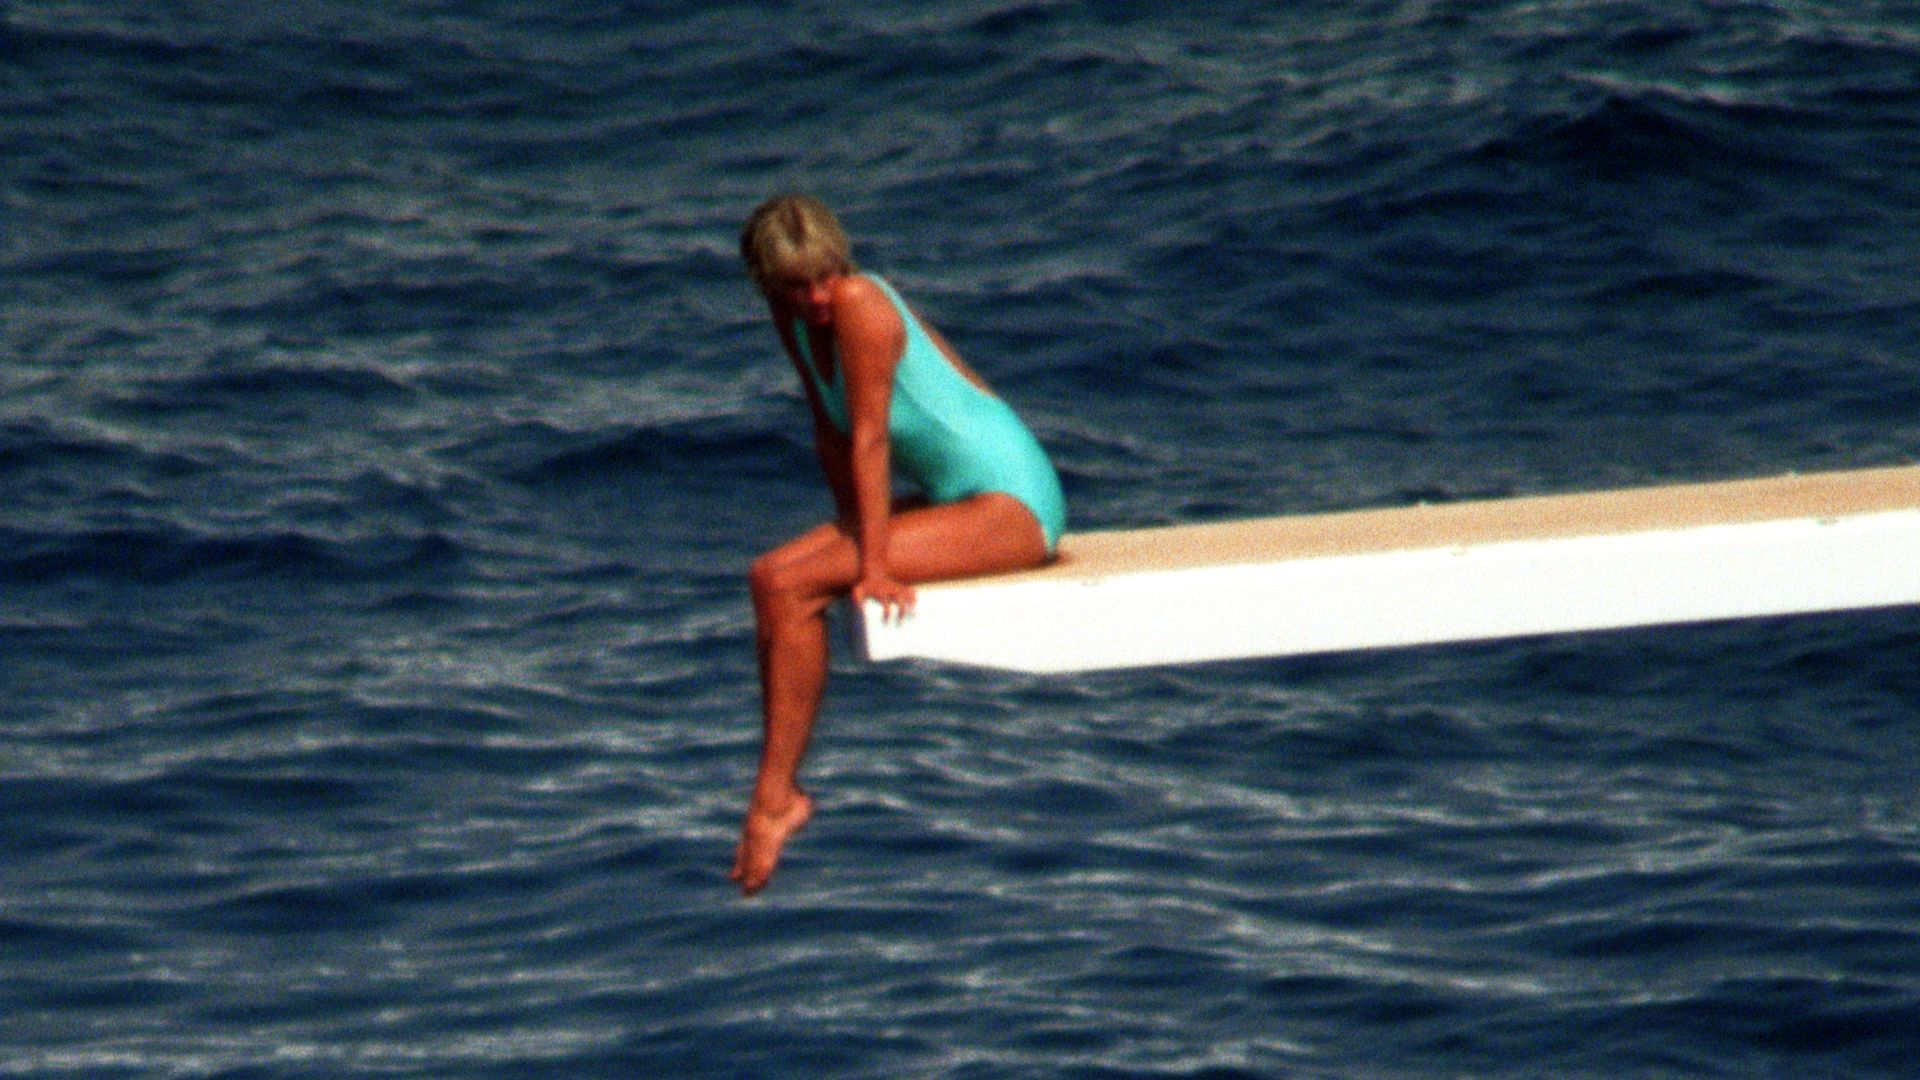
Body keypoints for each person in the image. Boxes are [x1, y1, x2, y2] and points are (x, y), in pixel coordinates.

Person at [730, 193, 1067, 896]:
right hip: (959, 499)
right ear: (770, 285)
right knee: (770, 577)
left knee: (793, 585)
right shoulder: (792, 317)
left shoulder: (857, 303)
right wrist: (849, 531)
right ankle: (774, 795)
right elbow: (828, 431)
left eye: (825, 275)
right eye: (798, 284)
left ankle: (773, 802)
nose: (817, 296)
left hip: (1013, 502)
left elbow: (871, 437)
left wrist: (873, 565)